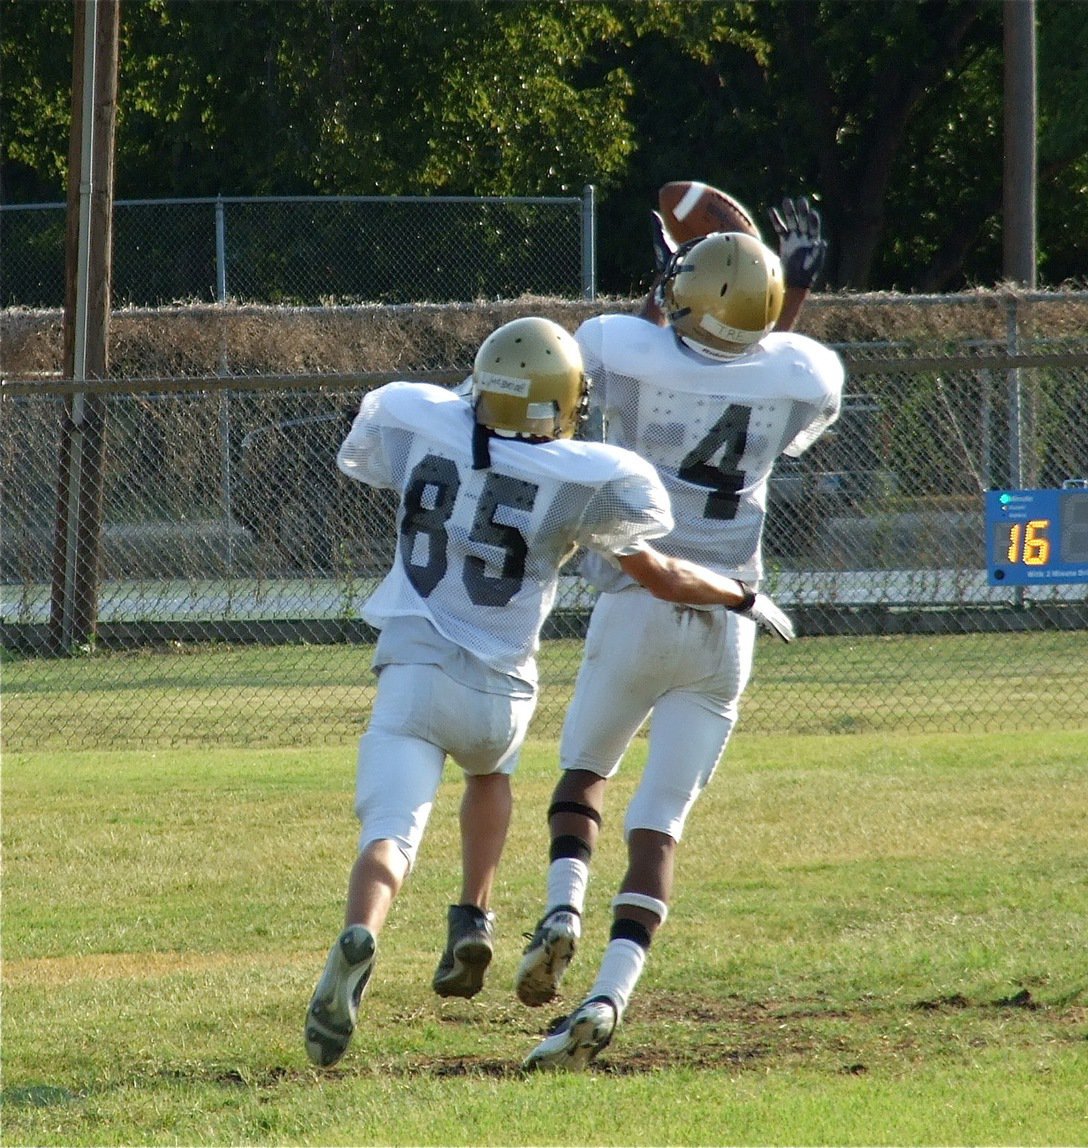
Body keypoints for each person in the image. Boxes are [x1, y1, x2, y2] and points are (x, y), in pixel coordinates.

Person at [303, 315, 794, 1069]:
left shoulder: (418, 419)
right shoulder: (578, 477)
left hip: (412, 668)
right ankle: (473, 915)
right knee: (489, 776)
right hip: (499, 690)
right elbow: (661, 575)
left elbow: (418, 431)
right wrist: (741, 596)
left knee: (389, 833)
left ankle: (363, 931)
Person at [517, 197, 844, 1072]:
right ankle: (610, 995)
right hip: (732, 615)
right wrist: (793, 289)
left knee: (584, 776)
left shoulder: (622, 346)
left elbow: (652, 352)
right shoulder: (803, 370)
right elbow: (747, 361)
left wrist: (669, 275)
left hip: (638, 597)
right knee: (659, 824)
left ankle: (562, 909)